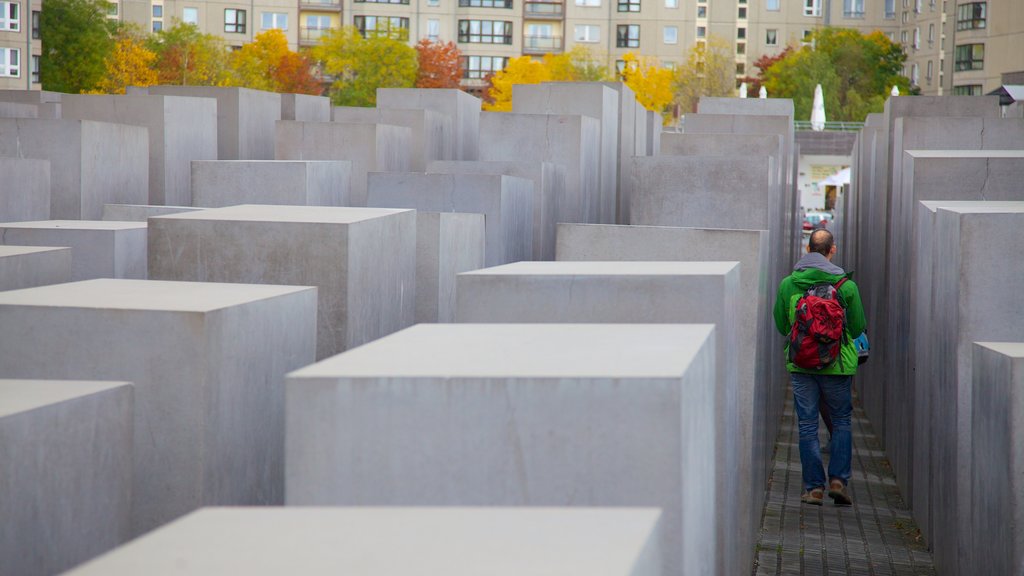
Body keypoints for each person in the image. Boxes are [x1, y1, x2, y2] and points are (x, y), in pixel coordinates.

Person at [773, 229, 866, 506]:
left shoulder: (789, 284)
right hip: (837, 367)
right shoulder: (846, 286)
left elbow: (781, 325)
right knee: (840, 422)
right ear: (832, 250)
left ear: (808, 248)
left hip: (802, 365)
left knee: (807, 425)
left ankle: (814, 488)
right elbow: (858, 327)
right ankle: (838, 480)